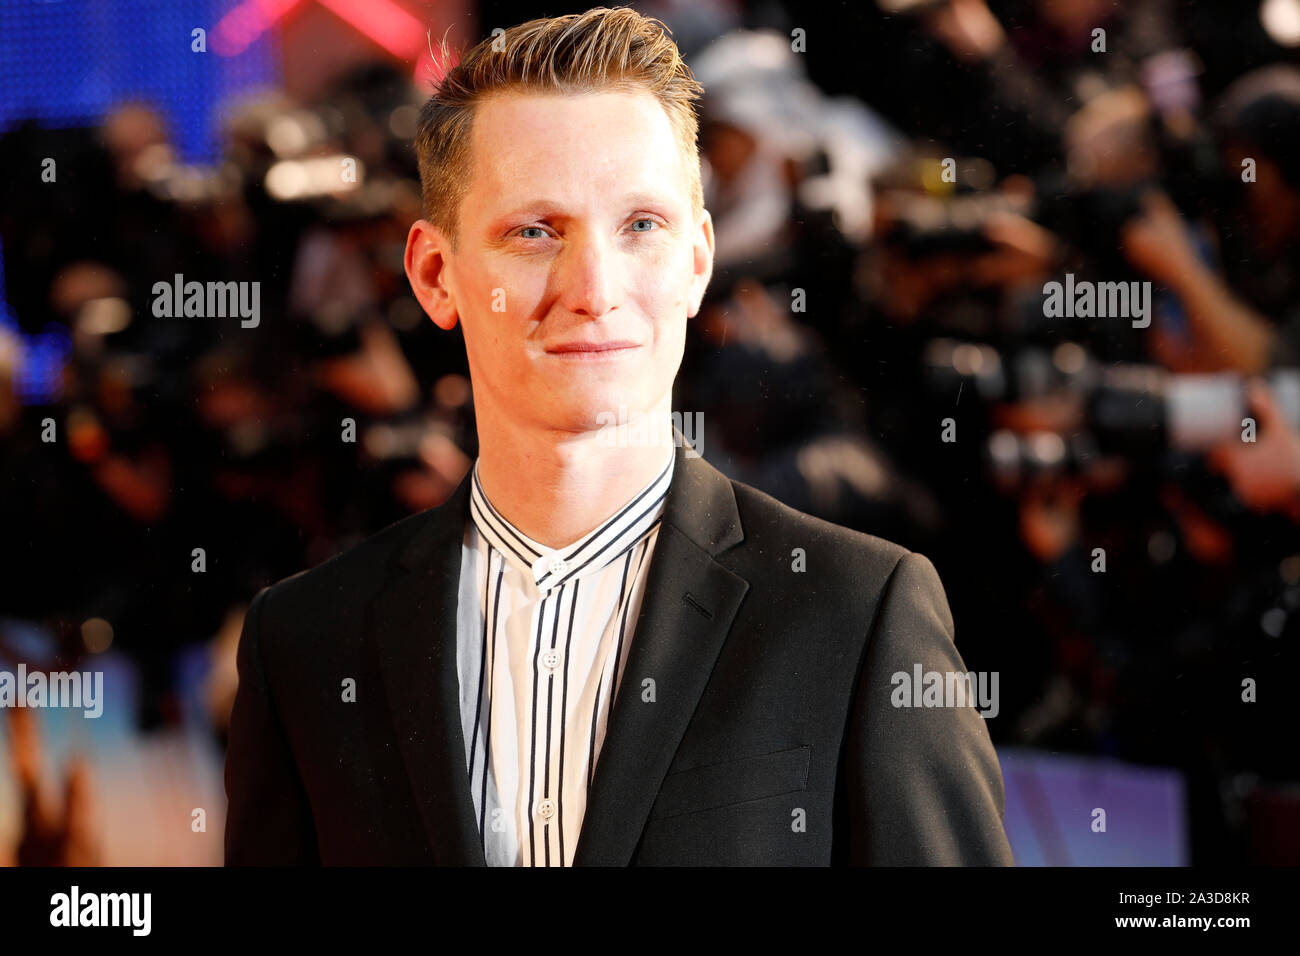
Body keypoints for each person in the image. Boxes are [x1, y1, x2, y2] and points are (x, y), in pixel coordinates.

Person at [224, 6, 1013, 866]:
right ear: (434, 274)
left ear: (698, 262)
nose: (593, 287)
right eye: (535, 231)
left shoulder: (859, 614)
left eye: (641, 226)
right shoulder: (305, 643)